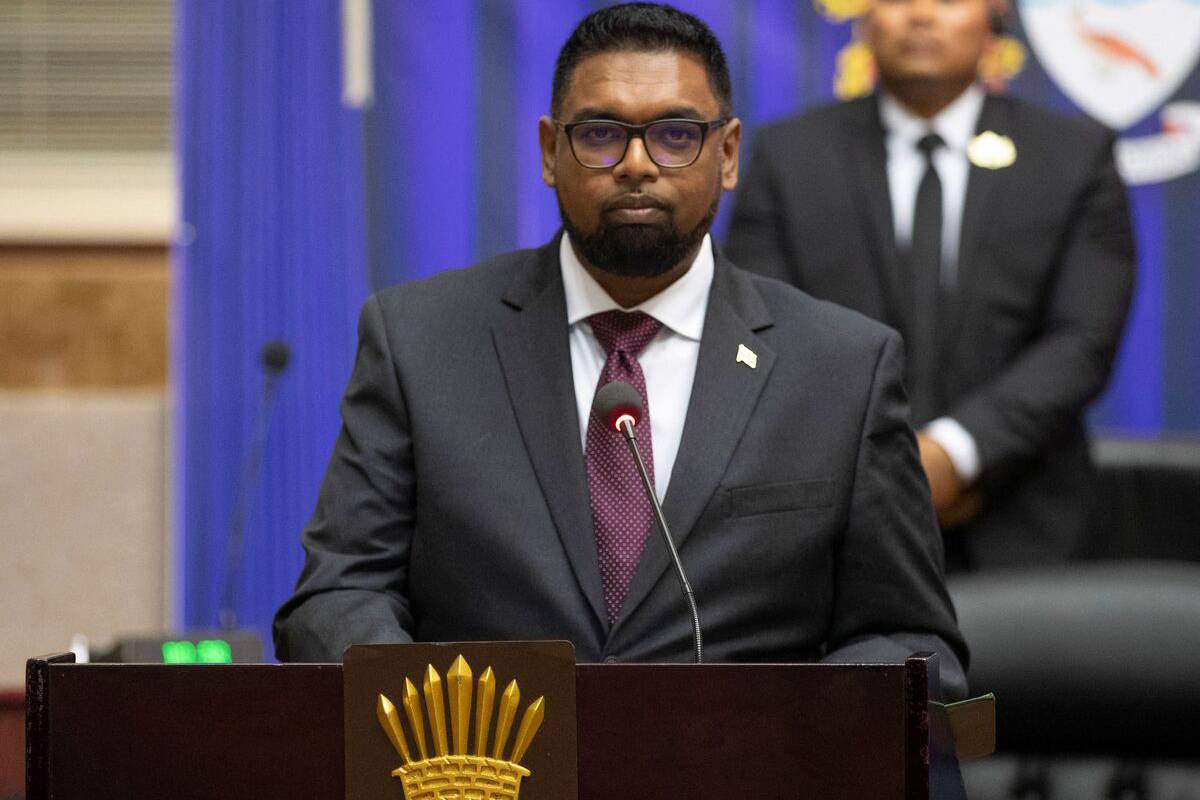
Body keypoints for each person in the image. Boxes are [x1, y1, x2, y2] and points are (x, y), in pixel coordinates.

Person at [274, 2, 967, 696]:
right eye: (601, 134)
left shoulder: (841, 367)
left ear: (727, 155)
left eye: (675, 135)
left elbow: (911, 638)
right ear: (550, 151)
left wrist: (784, 727)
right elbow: (336, 596)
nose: (637, 164)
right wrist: (446, 716)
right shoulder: (420, 340)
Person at [726, 0, 1134, 570]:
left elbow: (1081, 342)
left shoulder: (1072, 158)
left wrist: (958, 452)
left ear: (995, 15)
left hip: (1028, 525)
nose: (920, 14)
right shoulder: (790, 158)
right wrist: (882, 467)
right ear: (864, 17)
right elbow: (760, 331)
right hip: (833, 527)